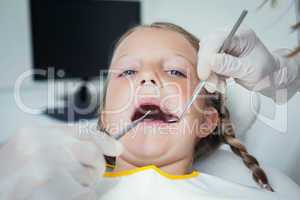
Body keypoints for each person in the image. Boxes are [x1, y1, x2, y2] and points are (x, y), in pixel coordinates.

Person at [0, 22, 297, 200]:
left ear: (206, 122)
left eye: (175, 72)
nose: (148, 78)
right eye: (128, 71)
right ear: (104, 117)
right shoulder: (47, 184)